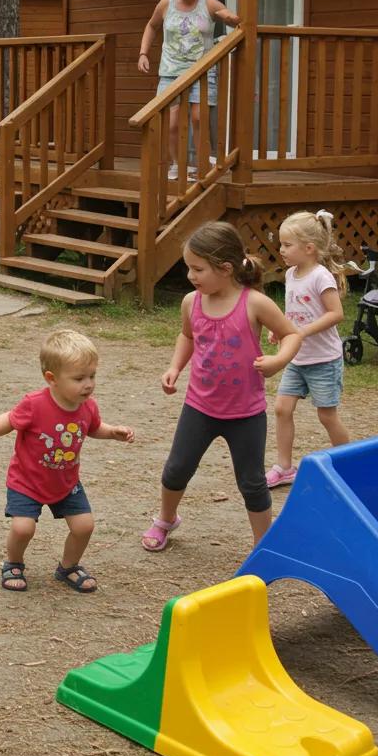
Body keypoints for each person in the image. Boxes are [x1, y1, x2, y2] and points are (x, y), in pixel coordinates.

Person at [141, 221, 302, 552]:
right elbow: (187, 336)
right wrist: (174, 367)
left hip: (246, 413)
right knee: (176, 470)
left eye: (198, 269)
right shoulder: (192, 302)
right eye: (189, 268)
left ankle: (264, 546)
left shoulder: (254, 303)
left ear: (226, 268)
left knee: (253, 483)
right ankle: (166, 519)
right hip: (199, 406)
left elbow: (292, 334)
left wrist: (278, 361)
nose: (191, 276)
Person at [0, 330, 135, 594]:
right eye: (79, 378)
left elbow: (93, 427)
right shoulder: (34, 404)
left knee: (84, 526)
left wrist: (112, 432)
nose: (88, 384)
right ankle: (13, 563)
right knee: (23, 528)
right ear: (52, 379)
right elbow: (9, 420)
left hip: (65, 482)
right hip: (27, 481)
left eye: (92, 376)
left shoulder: (87, 406)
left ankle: (68, 567)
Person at [266, 210, 351, 488]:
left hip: (324, 360)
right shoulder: (291, 274)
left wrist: (301, 332)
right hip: (297, 358)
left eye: (287, 245)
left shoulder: (320, 276)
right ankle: (284, 467)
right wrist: (280, 329)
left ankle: (348, 463)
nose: (281, 250)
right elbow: (294, 311)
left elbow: (335, 314)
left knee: (326, 415)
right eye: (281, 244)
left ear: (309, 248)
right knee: (281, 408)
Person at [137, 0, 240, 180]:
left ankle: (203, 165)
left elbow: (234, 20)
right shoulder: (166, 4)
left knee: (198, 118)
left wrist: (229, 18)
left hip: (201, 71)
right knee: (171, 122)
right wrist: (143, 53)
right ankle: (177, 164)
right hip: (171, 71)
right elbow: (152, 26)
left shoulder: (209, 5)